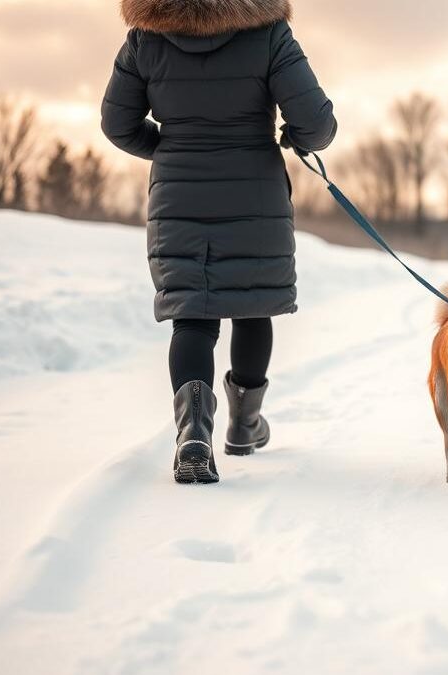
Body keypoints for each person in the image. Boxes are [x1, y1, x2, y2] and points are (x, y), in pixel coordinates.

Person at [101, 0, 337, 484]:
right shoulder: (268, 33)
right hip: (255, 191)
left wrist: (169, 147)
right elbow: (316, 123)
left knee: (193, 314)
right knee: (252, 307)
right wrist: (292, 136)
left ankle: (193, 431)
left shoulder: (147, 36)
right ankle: (245, 426)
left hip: (179, 195)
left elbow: (116, 123)